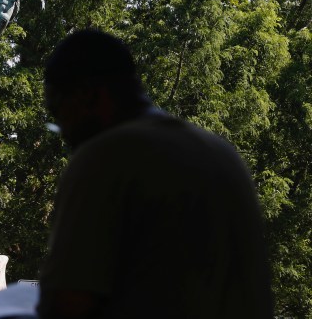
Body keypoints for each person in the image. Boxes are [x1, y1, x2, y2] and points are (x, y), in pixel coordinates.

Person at [39, 30, 273, 318]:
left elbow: (67, 303)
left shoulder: (105, 157)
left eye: (58, 111)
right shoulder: (221, 152)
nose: (63, 131)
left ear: (88, 95)